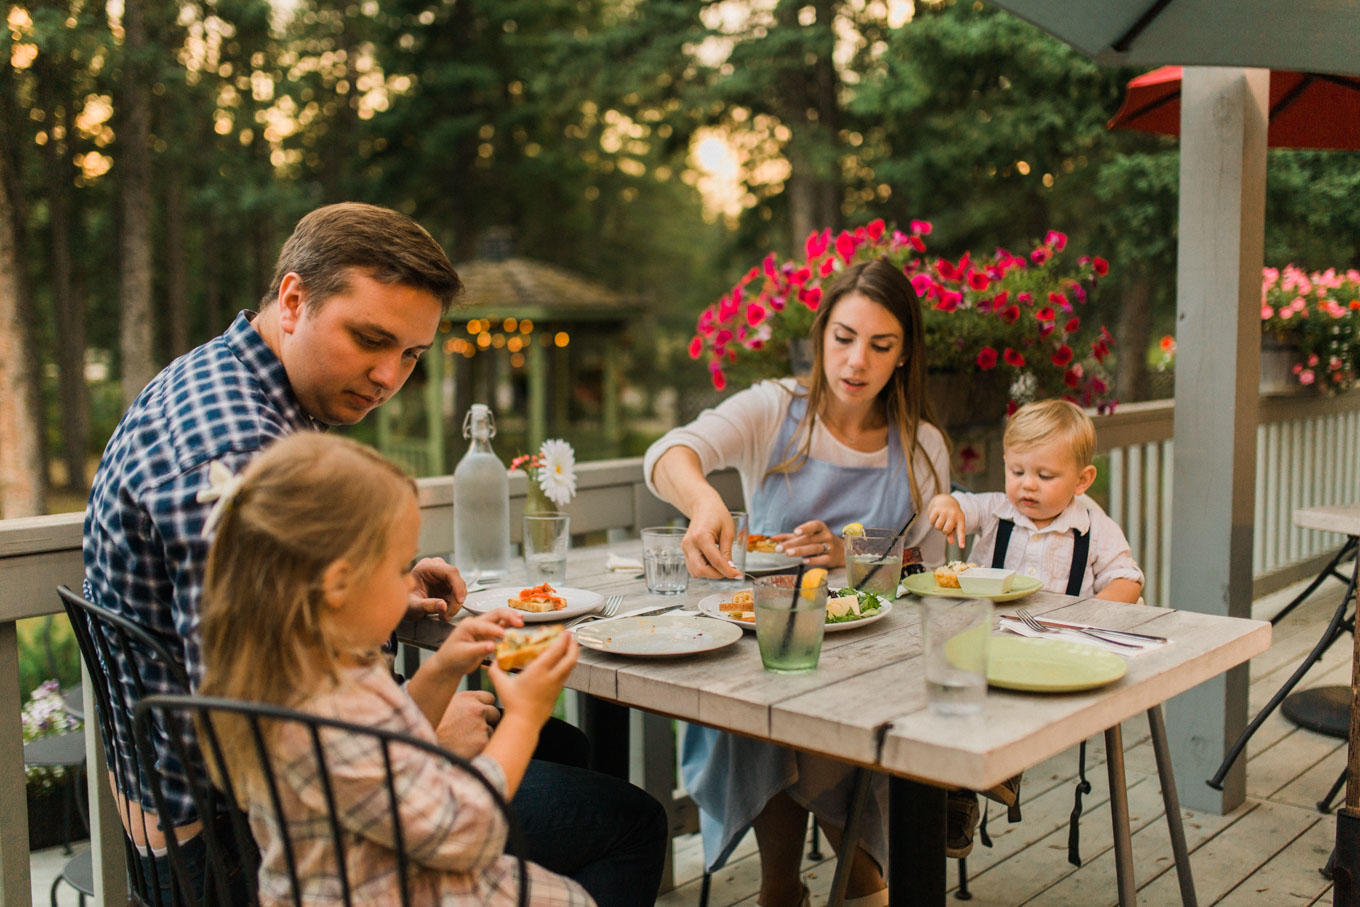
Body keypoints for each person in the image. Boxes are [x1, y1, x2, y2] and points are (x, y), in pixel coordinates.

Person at [83, 202, 666, 904]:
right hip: (235, 846)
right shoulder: (236, 453)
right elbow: (249, 721)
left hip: (236, 799)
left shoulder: (229, 385)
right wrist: (416, 739)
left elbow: (272, 620)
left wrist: (380, 583)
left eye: (412, 355)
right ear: (294, 299)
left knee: (561, 746)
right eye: (370, 339)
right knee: (629, 821)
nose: (389, 376)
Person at [646, 257, 951, 907]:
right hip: (767, 653)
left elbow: (932, 573)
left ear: (905, 354)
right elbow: (670, 452)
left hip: (874, 669)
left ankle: (807, 888)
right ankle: (808, 884)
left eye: (880, 344)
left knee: (818, 732)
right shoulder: (774, 409)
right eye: (843, 337)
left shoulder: (922, 445)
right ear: (820, 336)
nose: (856, 360)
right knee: (765, 712)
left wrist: (847, 550)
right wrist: (703, 503)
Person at [198, 432, 592, 905]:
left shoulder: (314, 674)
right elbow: (463, 832)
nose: (411, 581)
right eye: (398, 567)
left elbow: (391, 743)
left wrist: (444, 666)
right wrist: (525, 719)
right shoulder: (327, 711)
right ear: (339, 585)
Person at [924, 397, 1145, 857]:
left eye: (1045, 476)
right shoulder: (995, 510)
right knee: (949, 687)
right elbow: (956, 503)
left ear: (1082, 480)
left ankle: (989, 775)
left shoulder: (1093, 527)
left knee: (1014, 694)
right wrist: (946, 506)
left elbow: (1127, 580)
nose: (1026, 486)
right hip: (987, 645)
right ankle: (959, 791)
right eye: (1017, 471)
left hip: (1052, 649)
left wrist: (1080, 620)